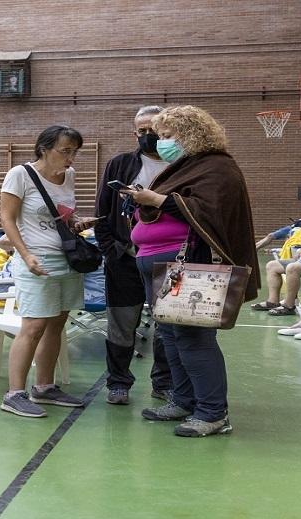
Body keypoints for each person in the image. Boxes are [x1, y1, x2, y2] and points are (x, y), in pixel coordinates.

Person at [120, 105, 259, 437]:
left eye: (169, 136)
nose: (161, 142)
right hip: (160, 266)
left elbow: (208, 211)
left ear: (191, 135)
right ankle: (183, 400)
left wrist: (159, 200)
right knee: (170, 337)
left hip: (190, 267)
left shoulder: (217, 168)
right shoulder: (186, 167)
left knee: (193, 338)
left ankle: (213, 412)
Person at [0, 125, 93, 418]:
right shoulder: (20, 175)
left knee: (57, 323)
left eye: (75, 151)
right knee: (34, 325)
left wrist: (77, 222)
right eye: (65, 151)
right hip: (36, 259)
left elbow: (62, 216)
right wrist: (25, 255)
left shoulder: (70, 176)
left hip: (67, 257)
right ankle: (14, 393)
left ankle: (44, 386)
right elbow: (8, 219)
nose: (71, 157)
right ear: (44, 149)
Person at [94, 106, 172, 406]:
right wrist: (111, 249)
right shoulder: (121, 164)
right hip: (124, 259)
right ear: (134, 133)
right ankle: (118, 383)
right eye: (142, 131)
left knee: (167, 325)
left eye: (154, 130)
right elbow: (102, 211)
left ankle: (163, 383)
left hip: (167, 260)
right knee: (121, 323)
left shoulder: (183, 164)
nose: (148, 136)